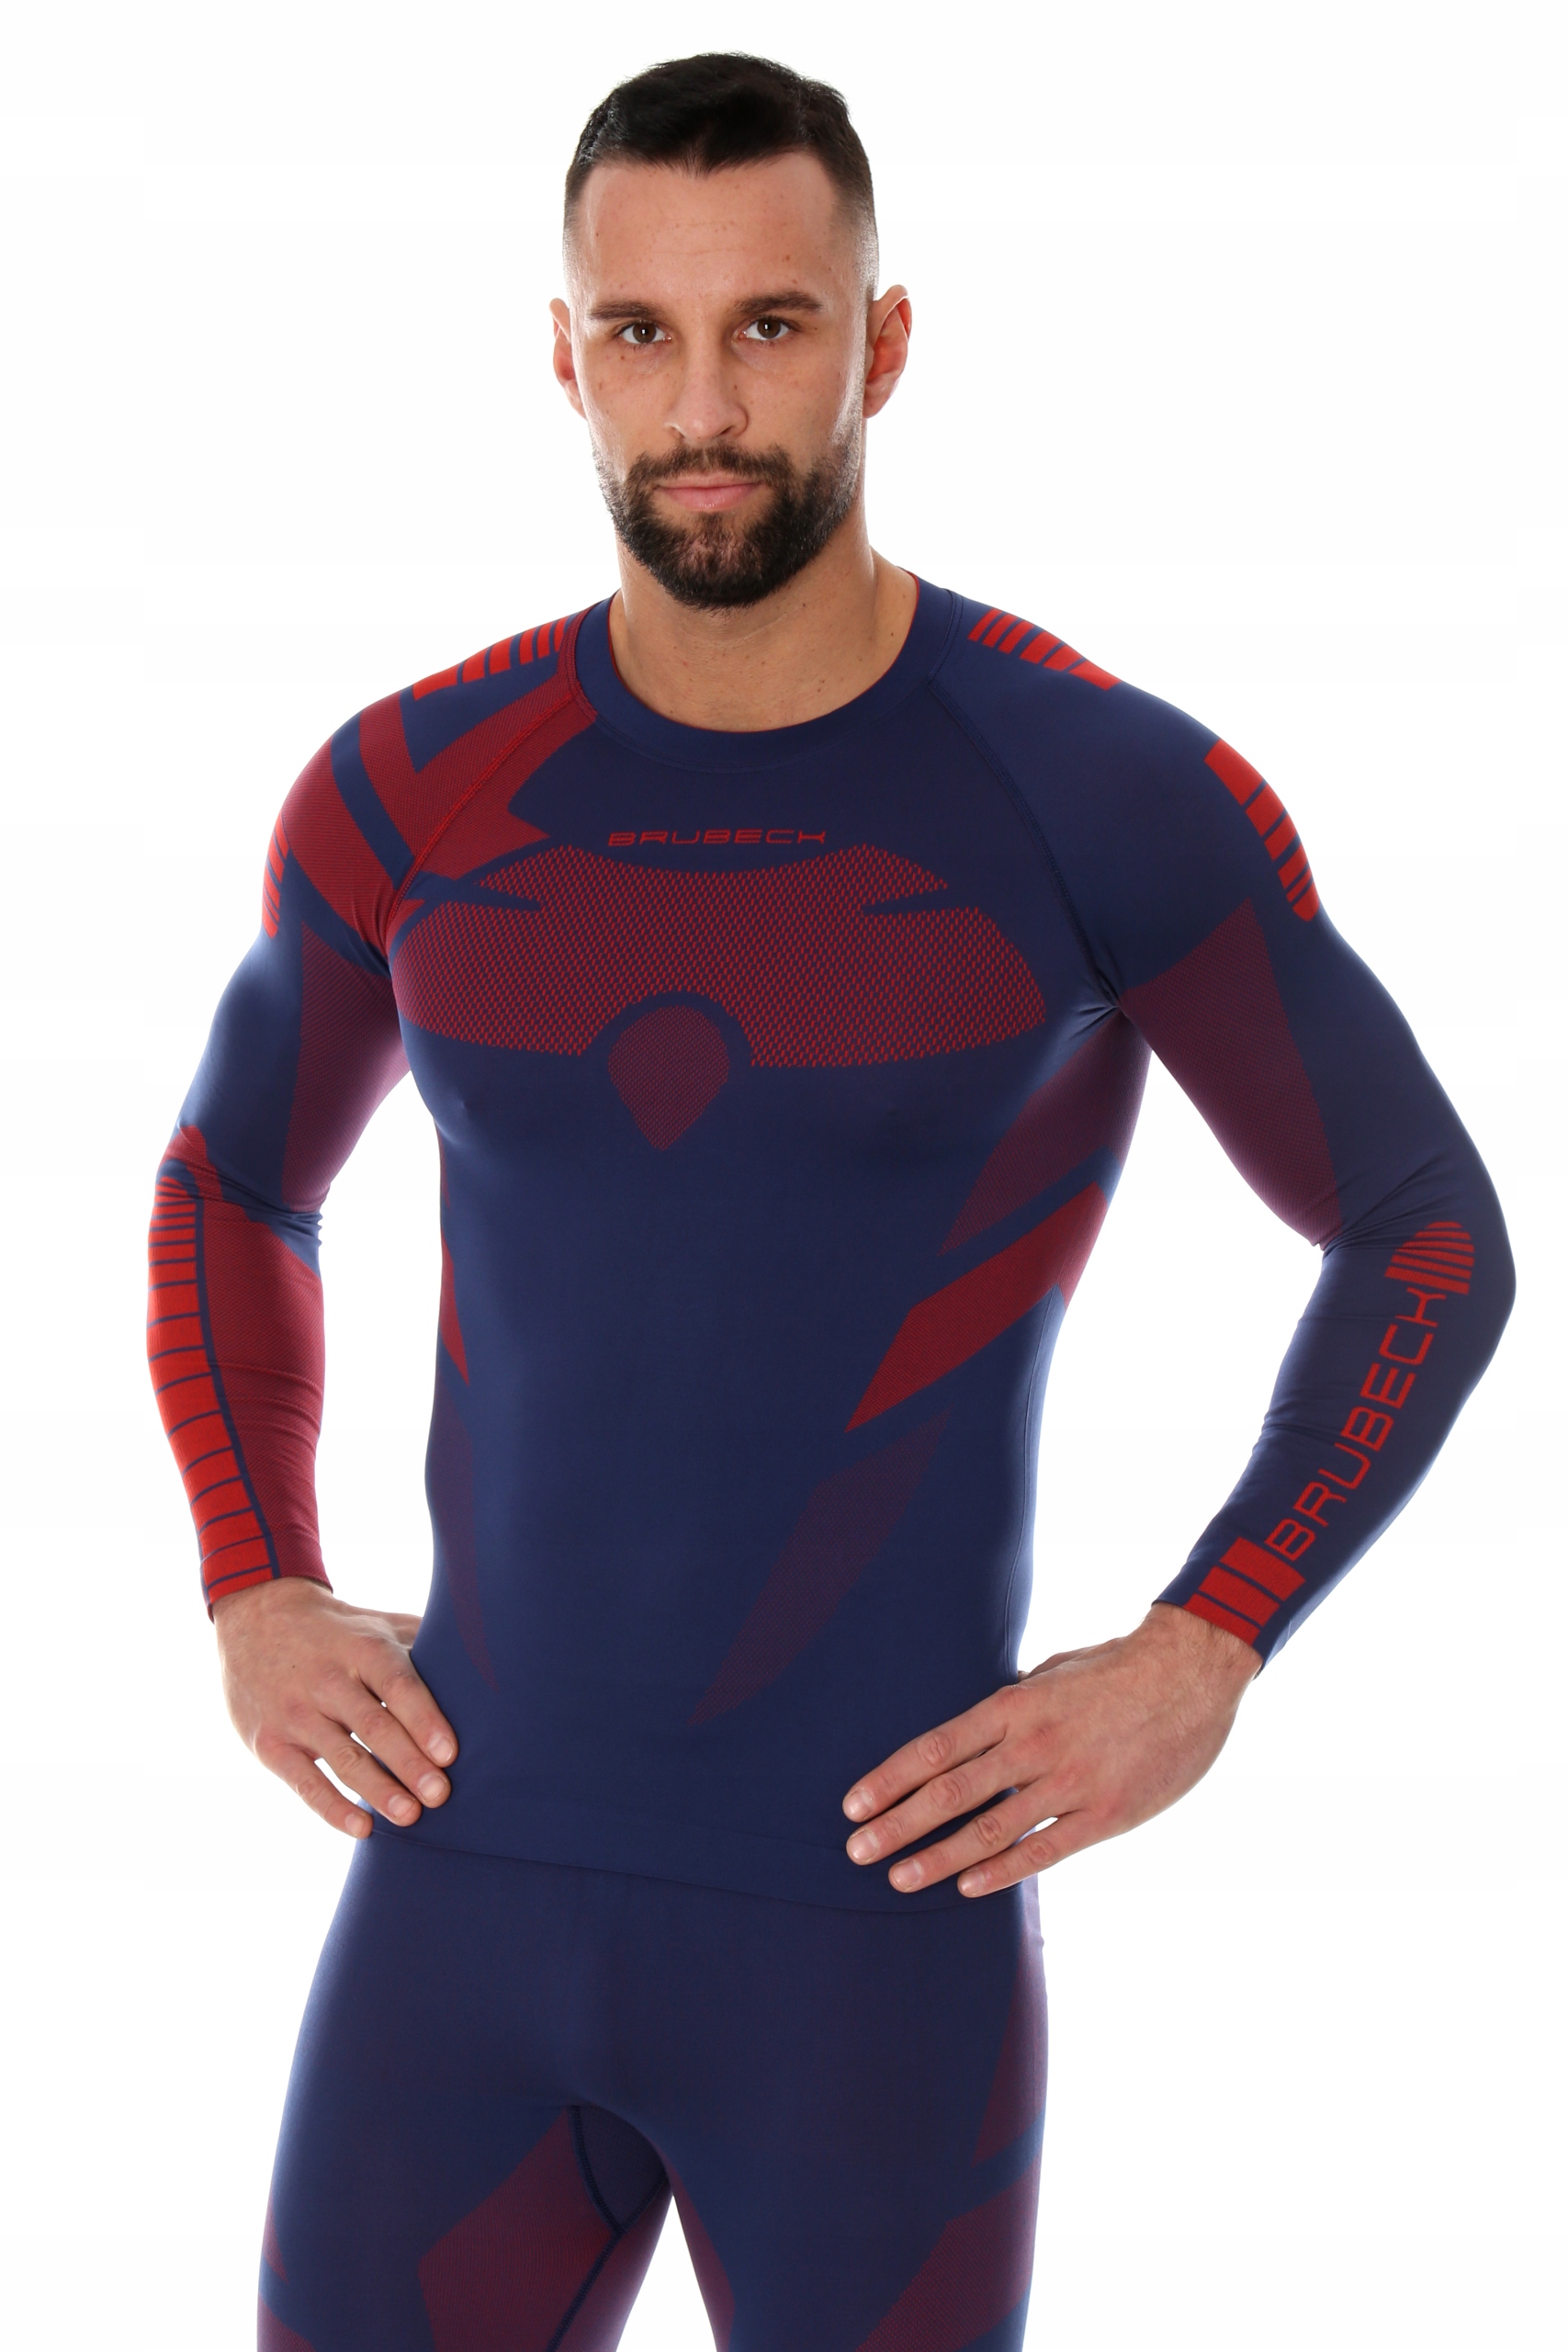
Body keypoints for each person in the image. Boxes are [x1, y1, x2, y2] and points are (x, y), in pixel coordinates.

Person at [146, 51, 1512, 2352]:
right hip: (458, 1900)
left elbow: (1423, 1226)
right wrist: (252, 1579)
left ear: (879, 340)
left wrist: (1205, 1641)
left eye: (769, 326)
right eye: (642, 332)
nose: (703, 407)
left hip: (870, 1931)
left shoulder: (1092, 787)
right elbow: (229, 1181)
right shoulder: (411, 783)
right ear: (563, 353)